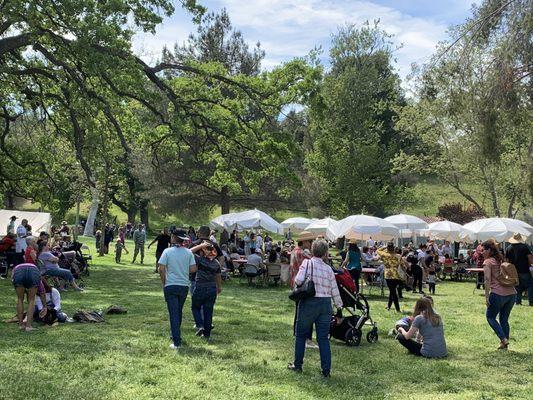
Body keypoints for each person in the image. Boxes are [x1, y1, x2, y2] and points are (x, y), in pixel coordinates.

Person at [288, 239, 343, 377]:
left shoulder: (307, 263)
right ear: (325, 253)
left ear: (312, 250)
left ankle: (298, 365)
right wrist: (339, 308)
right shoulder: (329, 269)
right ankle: (326, 370)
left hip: (309, 302)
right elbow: (334, 290)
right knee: (323, 338)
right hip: (325, 304)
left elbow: (299, 281)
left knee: (301, 335)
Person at [158, 230, 197, 350]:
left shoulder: (167, 251)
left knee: (173, 314)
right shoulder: (188, 253)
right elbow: (193, 269)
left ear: (174, 238)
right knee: (178, 311)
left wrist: (165, 282)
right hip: (184, 286)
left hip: (171, 285)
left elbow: (161, 269)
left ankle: (176, 342)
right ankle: (174, 335)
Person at [482, 240, 517, 350]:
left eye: (483, 250)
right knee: (504, 319)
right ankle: (504, 344)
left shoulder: (487, 262)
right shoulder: (500, 259)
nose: (482, 252)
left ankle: (503, 339)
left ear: (489, 250)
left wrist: (487, 296)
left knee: (490, 317)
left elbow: (487, 279)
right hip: (512, 293)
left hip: (498, 294)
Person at [189, 241, 222, 340]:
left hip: (200, 287)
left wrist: (201, 245)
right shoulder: (216, 263)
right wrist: (219, 287)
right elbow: (218, 276)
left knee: (195, 307)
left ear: (203, 252)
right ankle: (207, 334)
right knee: (208, 311)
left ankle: (200, 325)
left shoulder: (200, 260)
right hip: (212, 288)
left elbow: (189, 251)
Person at [290, 231, 317, 349]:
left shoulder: (294, 251)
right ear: (305, 241)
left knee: (299, 311)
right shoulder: (303, 254)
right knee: (308, 312)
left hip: (296, 285)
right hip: (304, 286)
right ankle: (307, 339)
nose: (312, 244)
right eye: (310, 241)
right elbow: (314, 264)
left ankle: (297, 335)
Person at [12, 263, 48, 331]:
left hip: (18, 271)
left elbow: (13, 280)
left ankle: (20, 325)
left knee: (20, 299)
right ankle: (28, 326)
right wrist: (45, 306)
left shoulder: (16, 268)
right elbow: (42, 293)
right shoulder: (37, 273)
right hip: (33, 272)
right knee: (31, 300)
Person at [377, 242, 406, 312]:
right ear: (394, 248)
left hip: (388, 275)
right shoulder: (398, 256)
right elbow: (403, 265)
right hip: (397, 275)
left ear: (387, 248)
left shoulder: (384, 255)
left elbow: (378, 250)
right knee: (392, 291)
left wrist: (384, 247)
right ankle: (389, 306)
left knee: (393, 291)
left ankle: (397, 309)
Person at [505, 233, 532, 306]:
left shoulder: (508, 248)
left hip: (513, 271)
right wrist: (530, 265)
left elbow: (506, 261)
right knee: (530, 285)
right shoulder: (524, 247)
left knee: (517, 286)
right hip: (524, 270)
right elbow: (530, 258)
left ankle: (517, 302)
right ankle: (531, 302)